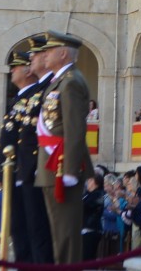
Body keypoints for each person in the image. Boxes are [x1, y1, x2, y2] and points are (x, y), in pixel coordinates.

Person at [35, 30, 94, 264]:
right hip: (52, 164)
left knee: (66, 232)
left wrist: (70, 170)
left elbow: (75, 129)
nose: (45, 55)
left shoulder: (71, 82)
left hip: (61, 167)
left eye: (49, 51)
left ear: (62, 53)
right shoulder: (60, 81)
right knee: (58, 232)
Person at [0, 48, 53, 263]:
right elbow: (9, 137)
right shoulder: (22, 97)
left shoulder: (40, 92)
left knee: (35, 230)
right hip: (16, 169)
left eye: (16, 66)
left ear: (27, 70)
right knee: (20, 231)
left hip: (29, 170)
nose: (11, 71)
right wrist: (1, 169)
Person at [82, 173, 104, 261]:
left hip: (91, 229)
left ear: (96, 183)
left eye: (90, 180)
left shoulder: (98, 195)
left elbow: (86, 206)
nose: (88, 182)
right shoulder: (86, 194)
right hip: (83, 228)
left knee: (88, 258)